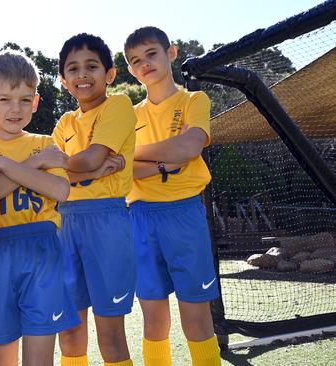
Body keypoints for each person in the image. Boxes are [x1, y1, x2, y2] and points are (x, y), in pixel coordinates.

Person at [0, 49, 80, 366]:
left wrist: (0, 164)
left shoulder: (45, 143)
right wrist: (35, 166)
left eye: (25, 100)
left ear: (36, 102)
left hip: (43, 252)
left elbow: (60, 189)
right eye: (4, 100)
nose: (16, 109)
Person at [124, 26, 221, 366]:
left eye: (151, 53)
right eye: (136, 60)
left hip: (184, 215)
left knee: (196, 318)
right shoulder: (128, 115)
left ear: (171, 52)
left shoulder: (194, 100)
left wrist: (137, 154)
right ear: (131, 70)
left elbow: (191, 145)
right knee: (154, 320)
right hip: (138, 218)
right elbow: (121, 170)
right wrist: (167, 161)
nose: (144, 64)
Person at [53, 33, 137, 366]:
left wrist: (88, 166)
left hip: (107, 222)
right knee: (70, 332)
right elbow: (52, 175)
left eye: (91, 66)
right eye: (72, 69)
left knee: (110, 334)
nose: (82, 75)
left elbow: (85, 160)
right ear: (63, 80)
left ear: (110, 74)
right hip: (64, 222)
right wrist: (97, 171)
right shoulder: (65, 123)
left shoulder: (118, 105)